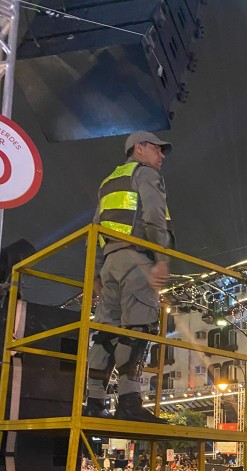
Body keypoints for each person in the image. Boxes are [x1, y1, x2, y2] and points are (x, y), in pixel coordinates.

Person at [85, 131, 174, 423]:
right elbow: (154, 215)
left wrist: (97, 272)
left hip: (110, 262)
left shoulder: (109, 181)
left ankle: (95, 401)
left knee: (106, 333)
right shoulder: (145, 174)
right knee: (137, 330)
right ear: (139, 148)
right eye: (157, 149)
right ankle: (129, 402)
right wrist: (161, 259)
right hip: (137, 259)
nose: (161, 155)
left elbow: (96, 228)